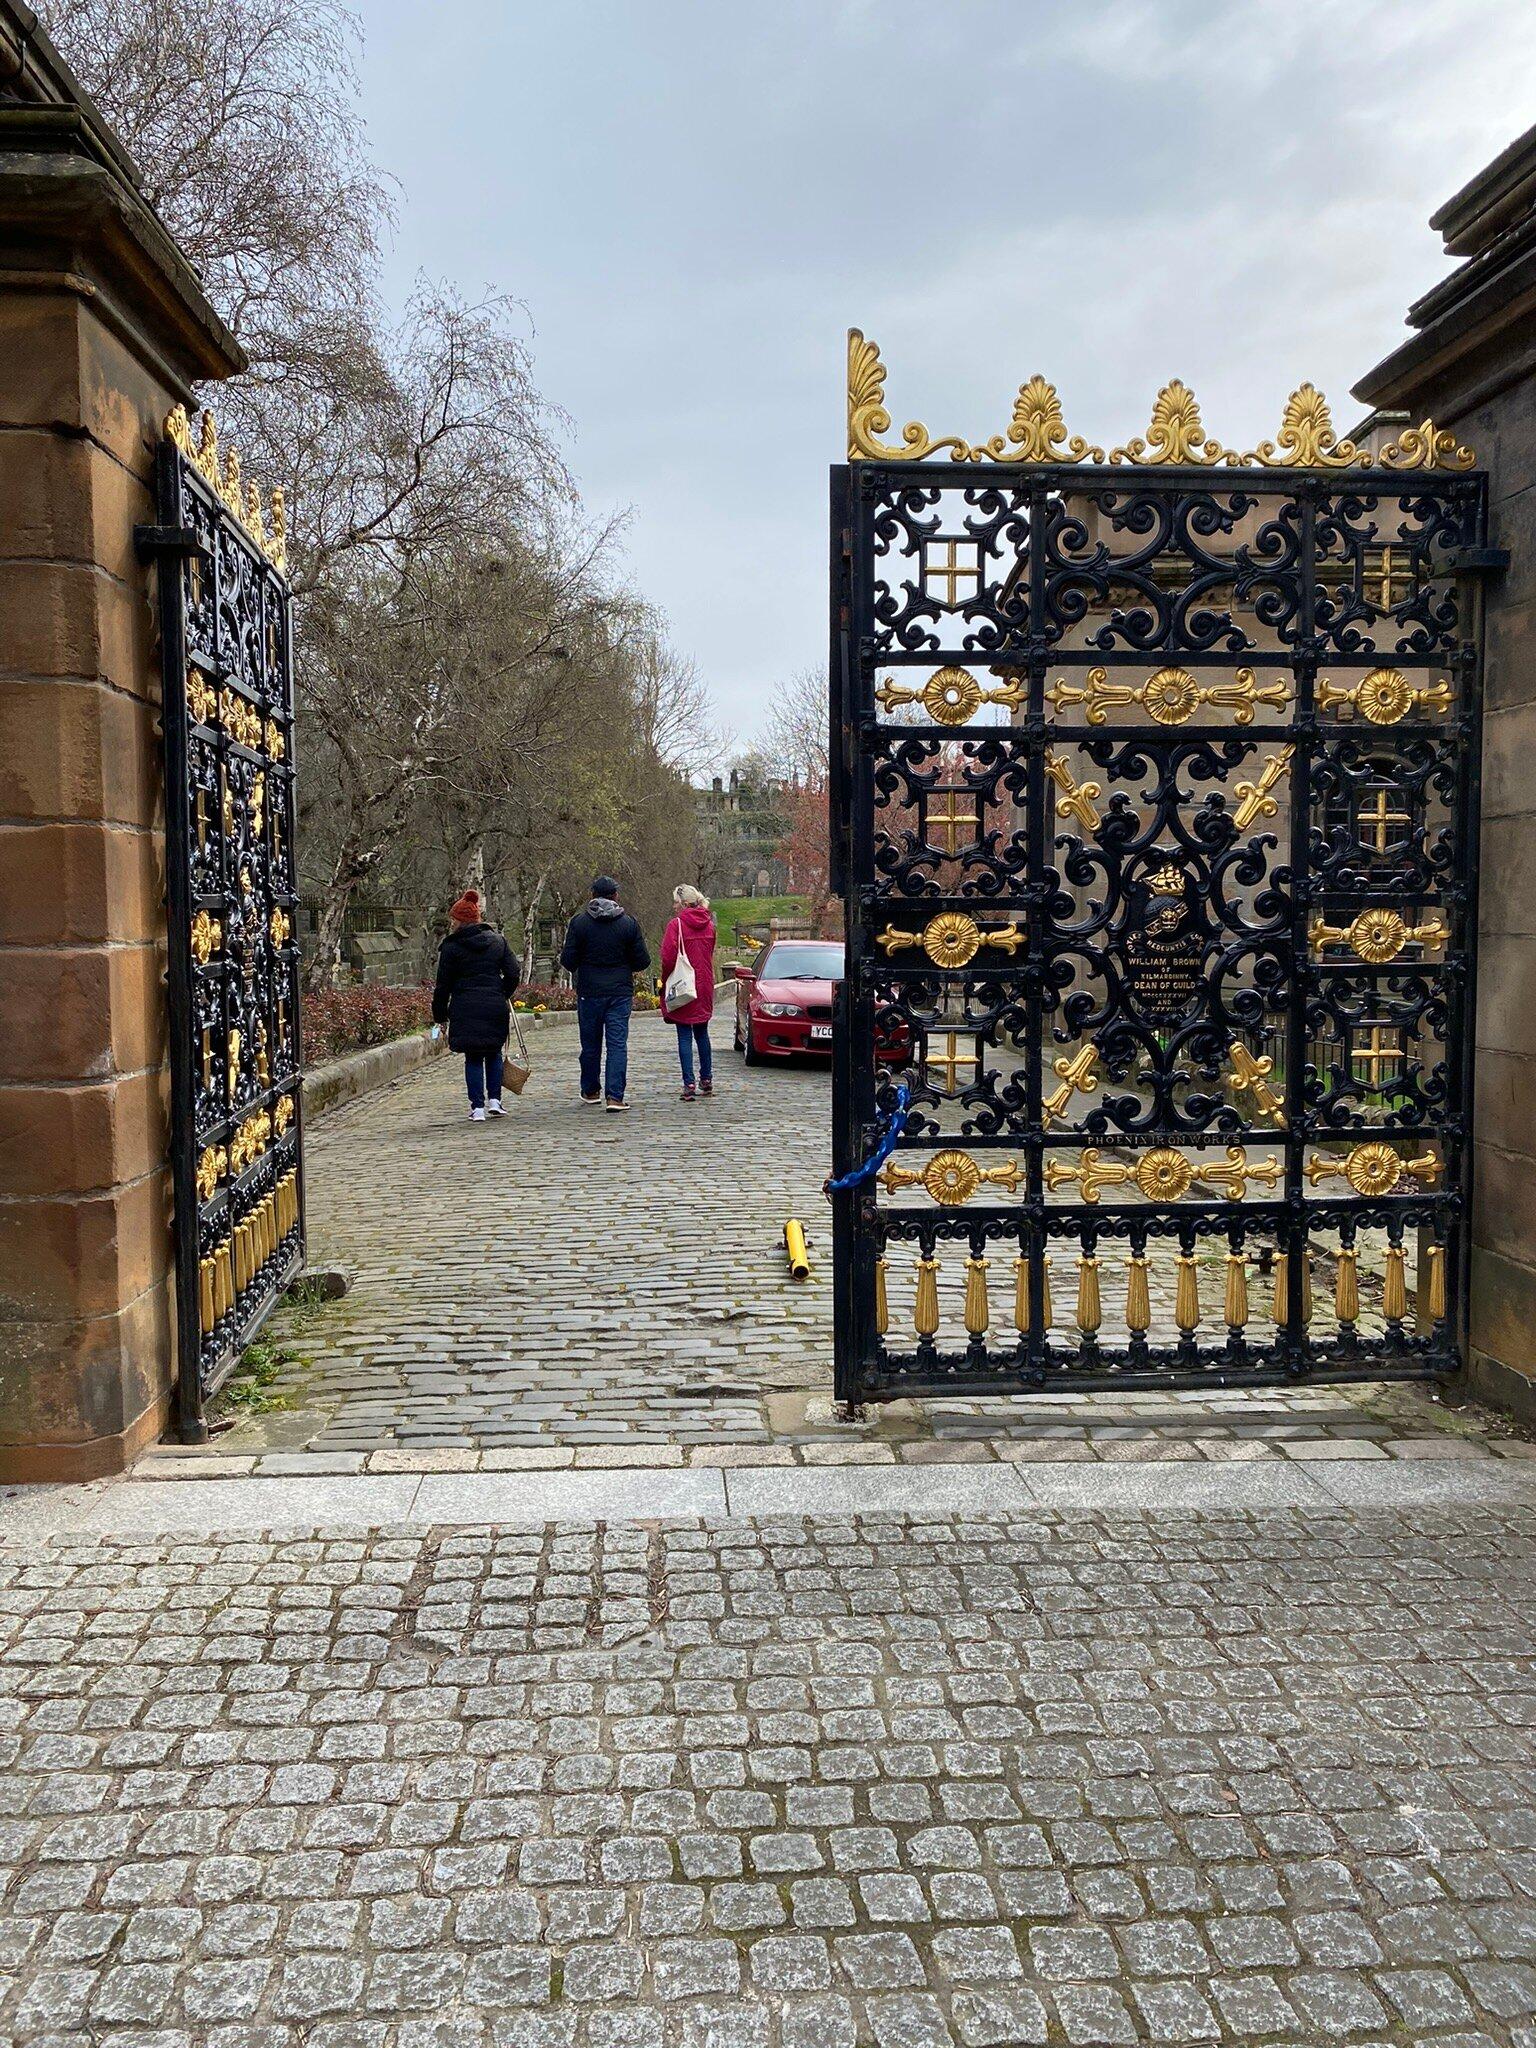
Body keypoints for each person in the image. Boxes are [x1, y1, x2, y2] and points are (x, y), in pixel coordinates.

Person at [560, 874, 650, 1111]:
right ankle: (615, 1096)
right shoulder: (628, 924)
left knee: (590, 1044)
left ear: (592, 896)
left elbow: (568, 959)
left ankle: (591, 1090)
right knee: (617, 1044)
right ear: (615, 896)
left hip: (589, 990)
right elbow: (642, 960)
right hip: (619, 992)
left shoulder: (579, 923)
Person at [431, 888, 520, 1122]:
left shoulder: (451, 947)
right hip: (493, 1004)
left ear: (460, 920)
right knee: (493, 1052)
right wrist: (502, 992)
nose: (451, 923)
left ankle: (477, 1107)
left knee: (472, 1057)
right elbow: (513, 972)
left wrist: (440, 1015)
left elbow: (443, 985)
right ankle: (495, 1101)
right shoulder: (498, 941)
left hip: (464, 1005)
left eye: (453, 919)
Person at [660, 884, 717, 1102]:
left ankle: (689, 1082)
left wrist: (665, 981)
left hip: (684, 984)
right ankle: (707, 1078)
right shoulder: (709, 925)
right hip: (703, 985)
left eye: (675, 902)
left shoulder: (677, 925)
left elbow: (667, 958)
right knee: (702, 1032)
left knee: (684, 1034)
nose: (674, 906)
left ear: (684, 903)